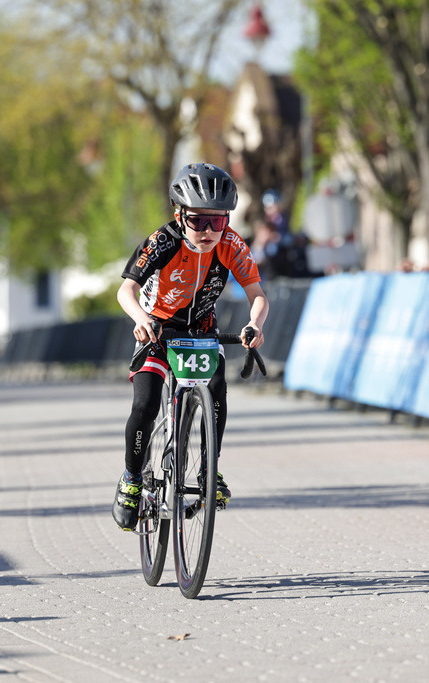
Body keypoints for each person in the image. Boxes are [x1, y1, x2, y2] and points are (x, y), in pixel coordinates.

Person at [112, 162, 269, 531]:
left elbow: (257, 294)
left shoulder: (231, 244)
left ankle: (208, 471)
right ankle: (132, 478)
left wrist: (253, 324)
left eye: (218, 221)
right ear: (180, 216)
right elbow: (126, 290)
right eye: (199, 221)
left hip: (200, 329)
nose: (209, 231)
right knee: (146, 403)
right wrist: (140, 318)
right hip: (157, 329)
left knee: (216, 389)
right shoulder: (162, 242)